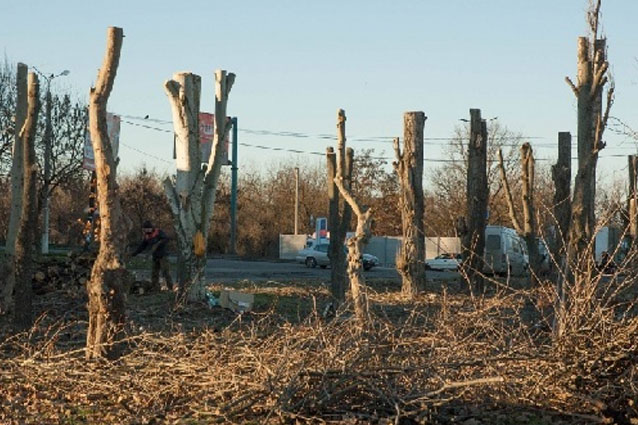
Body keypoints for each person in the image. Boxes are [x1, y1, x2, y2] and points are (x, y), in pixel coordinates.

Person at [131, 221, 173, 291]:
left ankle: (170, 288)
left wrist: (158, 243)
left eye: (146, 229)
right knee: (154, 273)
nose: (145, 231)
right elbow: (142, 246)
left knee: (166, 272)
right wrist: (134, 253)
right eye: (144, 229)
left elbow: (166, 239)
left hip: (163, 256)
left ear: (150, 228)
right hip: (155, 257)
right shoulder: (147, 236)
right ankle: (155, 288)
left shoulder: (158, 232)